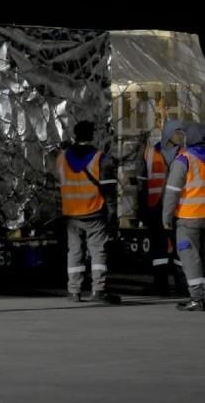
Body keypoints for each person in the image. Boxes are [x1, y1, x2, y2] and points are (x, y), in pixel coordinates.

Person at [56, 120, 120, 304]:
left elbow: (59, 184)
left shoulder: (62, 158)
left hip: (71, 213)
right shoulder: (101, 159)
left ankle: (73, 291)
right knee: (98, 250)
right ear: (91, 135)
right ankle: (98, 290)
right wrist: (112, 213)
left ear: (75, 135)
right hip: (94, 211)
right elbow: (109, 191)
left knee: (74, 251)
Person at [162, 122, 205, 311]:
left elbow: (172, 192)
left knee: (190, 256)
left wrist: (167, 217)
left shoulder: (184, 160)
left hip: (188, 217)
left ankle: (196, 297)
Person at [134, 120, 185, 294]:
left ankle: (182, 285)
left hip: (179, 207)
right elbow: (142, 182)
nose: (181, 136)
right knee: (159, 248)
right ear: (169, 134)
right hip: (156, 206)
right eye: (178, 132)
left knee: (180, 247)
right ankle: (161, 284)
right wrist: (141, 207)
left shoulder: (184, 153)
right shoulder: (149, 153)